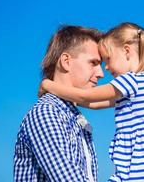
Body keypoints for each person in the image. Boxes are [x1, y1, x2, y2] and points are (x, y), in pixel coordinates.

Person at [40, 22, 144, 182]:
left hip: (140, 165)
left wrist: (49, 85)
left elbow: (86, 97)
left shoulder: (130, 81)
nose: (105, 68)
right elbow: (96, 104)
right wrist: (74, 100)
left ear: (127, 51)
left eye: (107, 59)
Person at [13, 25, 104, 182]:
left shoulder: (73, 118)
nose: (101, 73)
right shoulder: (46, 113)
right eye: (93, 63)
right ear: (66, 61)